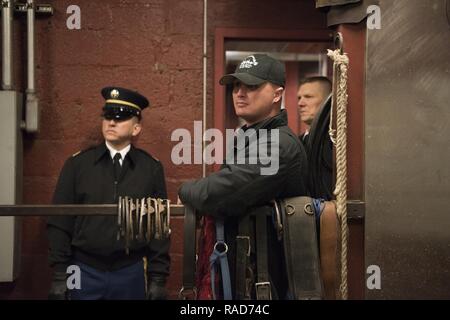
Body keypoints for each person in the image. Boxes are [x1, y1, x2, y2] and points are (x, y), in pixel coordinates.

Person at [178, 54, 309, 299]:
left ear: (277, 94)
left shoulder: (278, 144)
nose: (240, 93)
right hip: (246, 276)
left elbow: (221, 193)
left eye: (252, 86)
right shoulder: (252, 137)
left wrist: (185, 190)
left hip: (267, 284)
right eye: (237, 86)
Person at [47, 87, 170, 300]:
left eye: (120, 118)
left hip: (130, 271)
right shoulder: (78, 165)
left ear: (136, 128)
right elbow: (60, 220)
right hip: (83, 268)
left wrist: (157, 277)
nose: (111, 122)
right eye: (108, 116)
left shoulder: (150, 169)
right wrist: (60, 274)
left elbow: (158, 228)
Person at [297, 76, 332, 148]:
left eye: (308, 97)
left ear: (327, 101)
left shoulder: (333, 143)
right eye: (299, 98)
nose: (300, 103)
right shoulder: (295, 143)